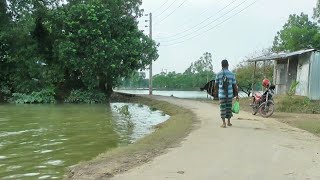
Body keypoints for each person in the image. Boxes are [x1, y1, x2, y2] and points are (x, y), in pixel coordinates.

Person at [214, 59, 239, 128]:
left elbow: (216, 85)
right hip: (230, 95)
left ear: (221, 65)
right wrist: (236, 95)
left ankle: (223, 123)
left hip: (221, 95)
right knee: (228, 108)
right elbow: (234, 86)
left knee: (223, 109)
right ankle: (229, 122)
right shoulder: (231, 74)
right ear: (228, 65)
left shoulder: (218, 74)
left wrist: (215, 93)